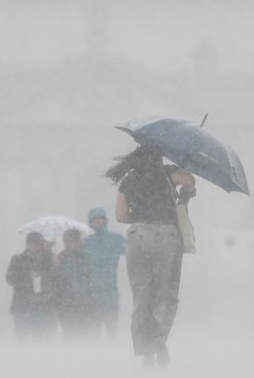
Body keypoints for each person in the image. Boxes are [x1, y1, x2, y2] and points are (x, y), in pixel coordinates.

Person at [105, 144, 196, 367]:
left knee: (142, 295)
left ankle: (145, 352)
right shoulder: (167, 174)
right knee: (166, 292)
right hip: (167, 235)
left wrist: (142, 213)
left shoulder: (128, 180)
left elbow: (120, 215)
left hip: (138, 236)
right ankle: (159, 337)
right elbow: (188, 181)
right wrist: (186, 193)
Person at [5, 231, 57, 340]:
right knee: (22, 341)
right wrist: (27, 276)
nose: (38, 247)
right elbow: (10, 279)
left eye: (40, 244)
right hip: (21, 307)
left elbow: (54, 277)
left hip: (40, 307)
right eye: (36, 244)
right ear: (28, 244)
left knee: (39, 341)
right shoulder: (17, 259)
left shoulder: (47, 259)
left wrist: (49, 253)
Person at [83, 207, 126, 339]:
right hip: (92, 291)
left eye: (100, 219)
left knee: (111, 325)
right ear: (90, 222)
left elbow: (131, 252)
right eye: (94, 220)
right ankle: (97, 356)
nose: (97, 222)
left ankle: (112, 354)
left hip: (110, 291)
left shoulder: (116, 239)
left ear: (105, 220)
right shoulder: (86, 242)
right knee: (95, 327)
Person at [54, 228, 94, 339]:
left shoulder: (86, 257)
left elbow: (86, 278)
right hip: (66, 304)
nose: (66, 244)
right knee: (68, 336)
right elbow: (56, 281)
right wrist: (55, 267)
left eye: (69, 241)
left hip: (83, 303)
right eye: (65, 241)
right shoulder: (60, 257)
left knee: (82, 335)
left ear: (78, 241)